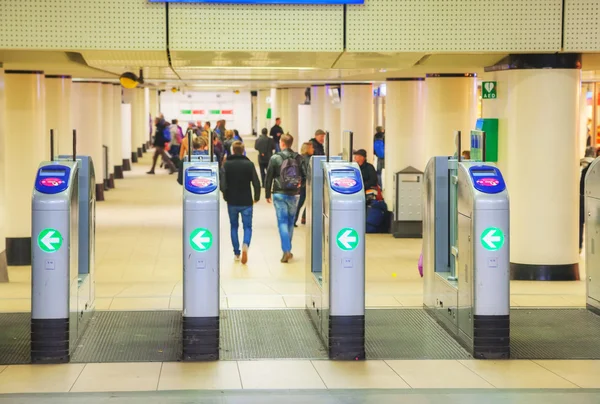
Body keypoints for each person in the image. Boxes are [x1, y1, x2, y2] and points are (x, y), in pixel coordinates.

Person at [265, 133, 307, 263]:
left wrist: (267, 194)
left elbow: (269, 177)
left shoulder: (275, 158)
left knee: (282, 222)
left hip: (279, 193)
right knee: (290, 221)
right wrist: (299, 186)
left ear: (281, 143)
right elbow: (305, 176)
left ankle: (286, 250)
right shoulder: (299, 158)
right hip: (294, 194)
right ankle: (288, 249)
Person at [220, 141, 261, 264]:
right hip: (246, 201)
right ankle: (245, 245)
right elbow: (256, 182)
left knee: (234, 226)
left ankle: (237, 253)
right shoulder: (249, 164)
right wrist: (256, 197)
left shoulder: (226, 165)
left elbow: (222, 184)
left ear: (232, 150)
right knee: (247, 227)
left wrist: (226, 195)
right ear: (243, 151)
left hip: (232, 201)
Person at [295, 142, 314, 227]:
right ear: (307, 149)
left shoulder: (299, 158)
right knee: (303, 202)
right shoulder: (308, 159)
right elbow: (307, 172)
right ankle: (300, 218)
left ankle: (299, 218)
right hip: (306, 184)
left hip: (301, 184)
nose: (313, 149)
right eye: (311, 148)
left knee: (301, 202)